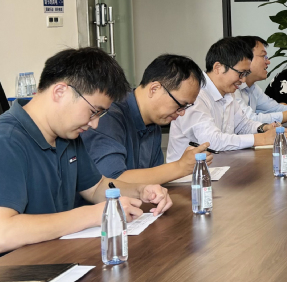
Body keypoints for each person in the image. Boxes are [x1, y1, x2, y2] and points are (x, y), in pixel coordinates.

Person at [0, 48, 173, 281]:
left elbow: (95, 188)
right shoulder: (3, 141)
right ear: (60, 91)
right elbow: (0, 235)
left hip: (42, 266)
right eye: (94, 112)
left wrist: (141, 190)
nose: (95, 124)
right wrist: (94, 214)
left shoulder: (66, 135)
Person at [82, 53, 211, 187]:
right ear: (154, 89)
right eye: (180, 105)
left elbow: (154, 177)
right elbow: (112, 181)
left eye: (186, 107)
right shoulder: (108, 115)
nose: (182, 113)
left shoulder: (154, 122)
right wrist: (180, 167)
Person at [166, 37, 278, 162]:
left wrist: (264, 128)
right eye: (240, 73)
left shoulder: (228, 92)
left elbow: (243, 125)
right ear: (218, 67)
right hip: (191, 172)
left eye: (246, 74)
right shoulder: (195, 94)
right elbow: (211, 141)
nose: (243, 80)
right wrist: (261, 139)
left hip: (220, 165)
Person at [233, 36, 287, 124]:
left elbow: (275, 108)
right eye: (263, 56)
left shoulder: (253, 88)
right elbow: (249, 120)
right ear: (245, 58)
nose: (268, 62)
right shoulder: (233, 89)